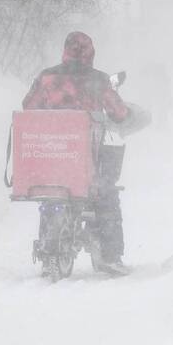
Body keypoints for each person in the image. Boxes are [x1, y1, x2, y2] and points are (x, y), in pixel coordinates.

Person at [22, 31, 131, 275]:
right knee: (107, 194)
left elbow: (28, 107)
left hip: (50, 159)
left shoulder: (46, 77)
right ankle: (110, 256)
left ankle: (49, 253)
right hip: (85, 161)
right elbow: (120, 113)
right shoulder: (99, 81)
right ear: (91, 54)